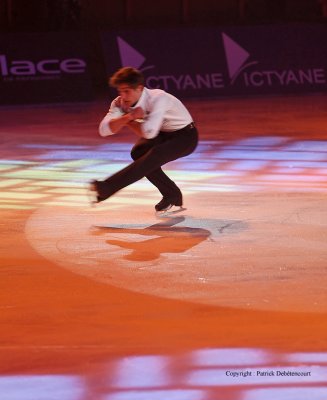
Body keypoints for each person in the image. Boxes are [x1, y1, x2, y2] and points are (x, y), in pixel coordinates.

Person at [90, 66, 198, 213]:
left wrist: (127, 120)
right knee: (138, 152)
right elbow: (104, 130)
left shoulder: (158, 98)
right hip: (162, 133)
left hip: (185, 137)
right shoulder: (119, 103)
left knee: (154, 154)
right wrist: (128, 117)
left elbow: (149, 133)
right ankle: (172, 194)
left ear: (139, 88)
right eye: (120, 91)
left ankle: (108, 187)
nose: (123, 95)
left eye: (127, 91)